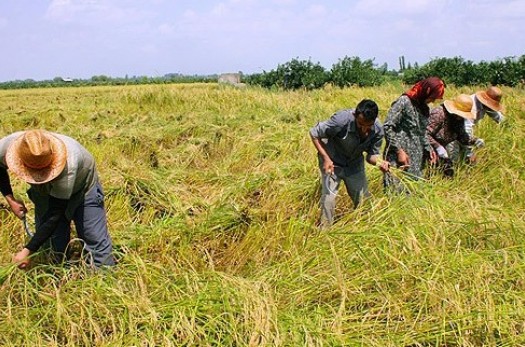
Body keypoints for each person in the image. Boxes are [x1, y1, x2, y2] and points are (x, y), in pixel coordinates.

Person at [0, 129, 115, 269]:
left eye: (42, 172)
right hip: (43, 193)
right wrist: (10, 199)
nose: (38, 176)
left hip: (83, 189)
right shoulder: (8, 146)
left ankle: (102, 276)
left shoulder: (69, 164)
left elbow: (55, 214)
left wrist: (27, 250)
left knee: (95, 240)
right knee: (53, 245)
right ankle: (59, 276)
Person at [309, 99, 389, 227]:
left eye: (368, 125)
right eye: (360, 124)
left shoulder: (378, 130)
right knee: (329, 198)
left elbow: (371, 156)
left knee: (363, 200)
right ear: (355, 116)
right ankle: (324, 231)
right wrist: (326, 158)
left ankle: (365, 228)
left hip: (354, 164)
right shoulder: (341, 121)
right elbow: (314, 133)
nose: (364, 129)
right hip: (332, 162)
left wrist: (380, 163)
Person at [382, 77, 445, 192]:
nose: (432, 101)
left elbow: (422, 133)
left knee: (413, 193)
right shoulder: (404, 102)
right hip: (399, 160)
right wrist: (399, 150)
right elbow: (387, 127)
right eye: (431, 97)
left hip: (416, 160)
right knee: (395, 194)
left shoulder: (425, 108)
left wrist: (429, 150)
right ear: (425, 91)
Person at [427, 94, 483, 177]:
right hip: (429, 148)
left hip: (444, 149)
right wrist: (438, 147)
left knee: (448, 173)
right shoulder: (439, 113)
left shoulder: (459, 119)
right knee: (431, 173)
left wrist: (474, 141)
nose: (461, 117)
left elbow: (462, 136)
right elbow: (425, 134)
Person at [447, 86, 506, 163]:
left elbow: (497, 116)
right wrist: (469, 153)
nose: (490, 107)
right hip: (451, 131)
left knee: (465, 159)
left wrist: (509, 125)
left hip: (462, 133)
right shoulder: (471, 106)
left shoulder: (486, 105)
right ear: (485, 100)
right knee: (453, 160)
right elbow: (467, 130)